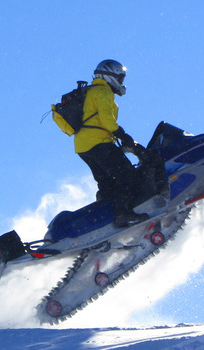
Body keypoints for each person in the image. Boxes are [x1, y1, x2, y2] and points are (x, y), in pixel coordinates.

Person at [74, 59, 149, 227]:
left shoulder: (89, 91)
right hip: (99, 143)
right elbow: (106, 118)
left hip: (82, 146)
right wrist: (122, 135)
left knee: (107, 183)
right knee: (126, 175)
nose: (122, 83)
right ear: (110, 76)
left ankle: (104, 221)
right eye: (120, 78)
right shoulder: (103, 91)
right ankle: (123, 213)